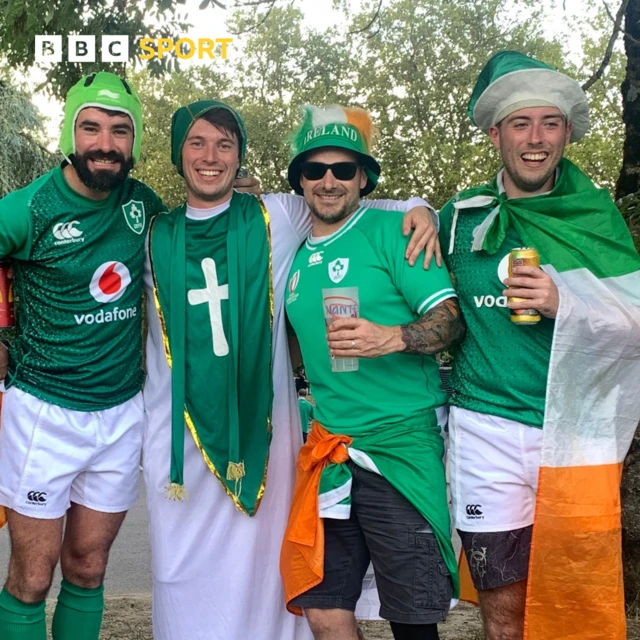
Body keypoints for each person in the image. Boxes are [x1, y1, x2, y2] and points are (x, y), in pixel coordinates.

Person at [142, 99, 441, 640]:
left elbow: (367, 207)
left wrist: (425, 207)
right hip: (176, 439)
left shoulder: (277, 214)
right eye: (198, 143)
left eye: (225, 144)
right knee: (178, 573)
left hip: (268, 432)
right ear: (176, 152)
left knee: (269, 572)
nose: (211, 156)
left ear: (241, 157)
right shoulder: (151, 235)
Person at [439, 51, 640, 640]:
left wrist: (565, 302)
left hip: (576, 435)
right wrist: (415, 213)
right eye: (520, 124)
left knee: (572, 593)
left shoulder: (594, 218)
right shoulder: (459, 218)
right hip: (484, 432)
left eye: (549, 123)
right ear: (496, 134)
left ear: (567, 133)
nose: (535, 138)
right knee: (502, 602)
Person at [280, 105, 465, 640]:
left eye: (344, 169)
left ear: (364, 177)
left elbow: (451, 321)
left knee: (411, 618)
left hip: (399, 447)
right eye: (315, 171)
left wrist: (393, 337)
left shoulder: (396, 232)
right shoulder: (295, 260)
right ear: (301, 183)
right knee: (323, 604)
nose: (329, 180)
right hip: (331, 451)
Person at [0, 72, 166, 640]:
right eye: (90, 127)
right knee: (32, 576)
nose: (105, 143)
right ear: (70, 132)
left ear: (134, 142)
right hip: (43, 413)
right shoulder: (27, 208)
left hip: (120, 413)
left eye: (121, 131)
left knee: (89, 568)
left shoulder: (144, 205)